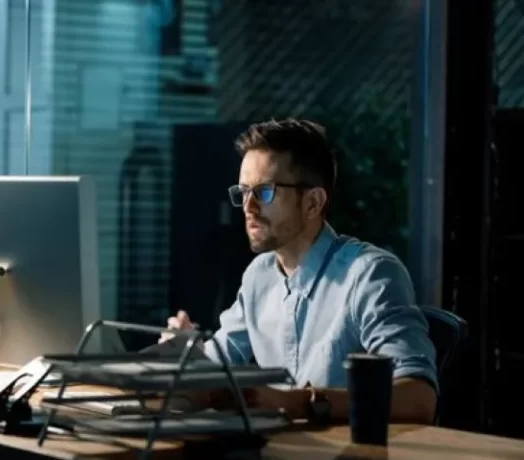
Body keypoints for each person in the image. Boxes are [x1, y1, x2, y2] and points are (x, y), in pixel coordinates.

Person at [159, 119, 437, 424]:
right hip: (282, 458)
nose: (248, 207)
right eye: (244, 192)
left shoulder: (371, 275)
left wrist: (298, 403)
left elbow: (419, 398)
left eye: (264, 192)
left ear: (313, 203)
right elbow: (219, 362)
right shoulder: (259, 276)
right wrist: (187, 352)